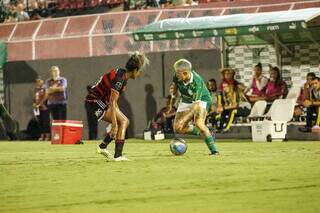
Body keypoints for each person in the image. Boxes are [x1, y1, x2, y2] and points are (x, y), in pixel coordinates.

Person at [86, 52, 149, 161]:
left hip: (101, 101)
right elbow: (112, 102)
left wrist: (116, 121)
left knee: (124, 121)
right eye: (139, 71)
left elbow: (113, 102)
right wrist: (114, 123)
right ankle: (118, 156)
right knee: (123, 122)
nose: (139, 74)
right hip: (94, 102)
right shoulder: (119, 81)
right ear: (135, 71)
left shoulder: (122, 75)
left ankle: (103, 147)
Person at [170, 59, 219, 156]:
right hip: (185, 100)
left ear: (185, 73)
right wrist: (172, 100)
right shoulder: (177, 75)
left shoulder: (197, 82)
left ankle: (214, 151)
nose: (176, 75)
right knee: (178, 128)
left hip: (202, 100)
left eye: (178, 73)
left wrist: (184, 120)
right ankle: (205, 132)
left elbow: (195, 107)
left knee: (199, 124)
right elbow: (175, 86)